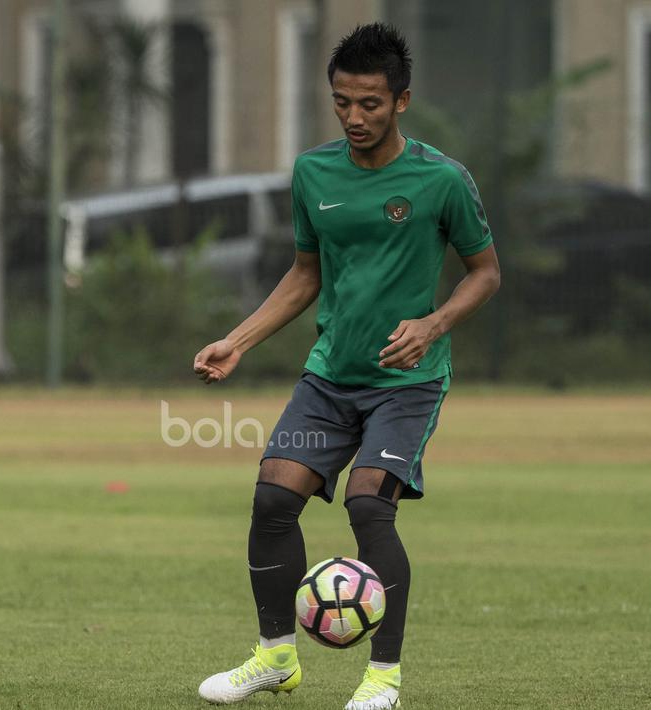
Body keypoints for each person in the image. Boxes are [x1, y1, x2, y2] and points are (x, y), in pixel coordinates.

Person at [193, 22, 501, 710]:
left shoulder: (441, 180)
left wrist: (432, 323)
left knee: (367, 503)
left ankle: (382, 679)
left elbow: (484, 274)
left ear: (401, 101)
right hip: (330, 376)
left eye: (369, 103)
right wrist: (239, 340)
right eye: (341, 102)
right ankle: (275, 659)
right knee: (273, 497)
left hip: (406, 384)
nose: (354, 117)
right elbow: (305, 273)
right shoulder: (313, 172)